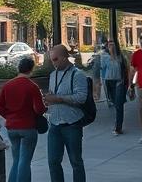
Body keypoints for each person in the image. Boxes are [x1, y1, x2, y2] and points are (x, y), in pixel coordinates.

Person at [44, 45, 88, 182]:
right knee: (53, 161)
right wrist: (48, 100)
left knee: (76, 161)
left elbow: (81, 98)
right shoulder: (53, 75)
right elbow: (53, 94)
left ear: (64, 57)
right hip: (55, 123)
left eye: (55, 59)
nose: (53, 63)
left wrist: (58, 98)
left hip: (72, 124)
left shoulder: (77, 74)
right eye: (51, 60)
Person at [0, 57, 45, 182]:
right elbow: (40, 109)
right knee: (25, 160)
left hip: (12, 126)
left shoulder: (7, 85)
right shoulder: (32, 86)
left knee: (16, 159)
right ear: (31, 69)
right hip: (28, 126)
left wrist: (10, 116)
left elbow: (0, 107)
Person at [100, 40, 129, 135]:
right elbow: (102, 68)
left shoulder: (120, 58)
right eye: (109, 45)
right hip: (109, 81)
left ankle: (118, 127)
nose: (111, 47)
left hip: (119, 82)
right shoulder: (105, 57)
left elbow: (126, 70)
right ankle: (118, 125)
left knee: (119, 104)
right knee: (113, 101)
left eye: (113, 45)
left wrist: (127, 84)